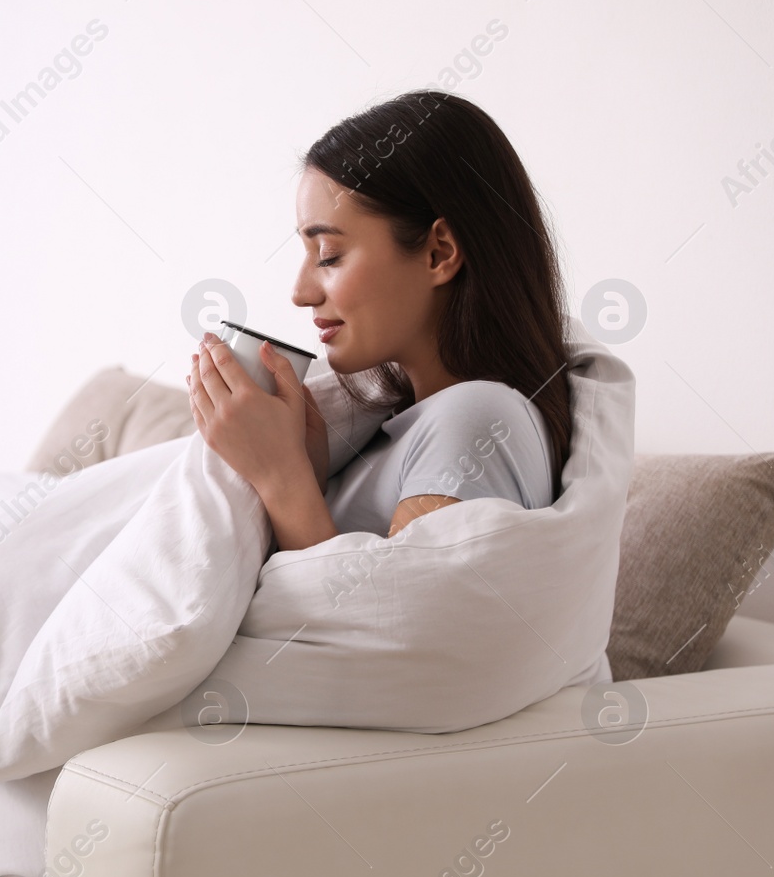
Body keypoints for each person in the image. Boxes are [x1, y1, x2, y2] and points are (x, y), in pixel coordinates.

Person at [188, 90, 572, 550]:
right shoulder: (396, 427)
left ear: (439, 253)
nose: (300, 293)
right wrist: (306, 472)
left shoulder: (475, 421)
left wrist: (280, 478)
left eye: (328, 255)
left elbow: (384, 621)